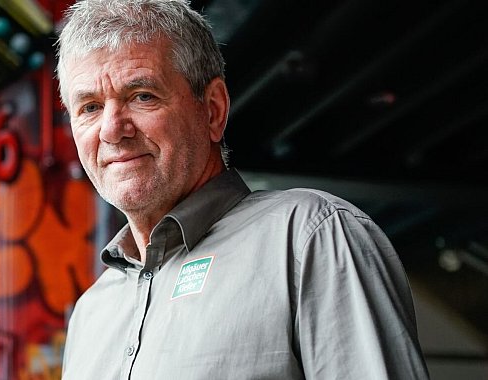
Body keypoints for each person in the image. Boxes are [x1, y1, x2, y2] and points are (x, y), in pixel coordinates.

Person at [55, 0, 428, 379]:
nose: (112, 129)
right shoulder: (90, 314)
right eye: (89, 107)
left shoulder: (309, 237)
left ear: (213, 110)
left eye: (142, 96)